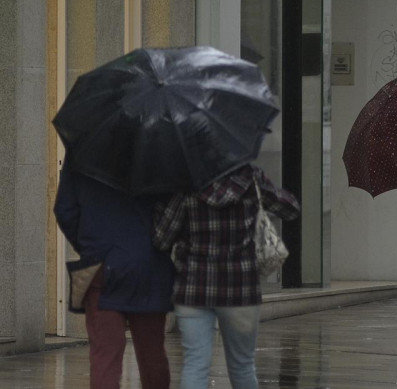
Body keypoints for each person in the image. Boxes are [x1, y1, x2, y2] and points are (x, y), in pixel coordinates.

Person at [154, 164, 299, 389]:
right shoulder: (250, 178)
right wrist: (263, 191)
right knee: (242, 366)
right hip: (241, 289)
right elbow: (291, 208)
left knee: (195, 364)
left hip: (193, 288)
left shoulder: (185, 184)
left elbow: (162, 239)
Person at [54, 165, 174, 389]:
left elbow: (65, 210)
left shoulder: (83, 151)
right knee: (153, 354)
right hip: (148, 266)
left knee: (104, 356)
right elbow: (172, 213)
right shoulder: (158, 149)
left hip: (101, 267)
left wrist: (90, 247)